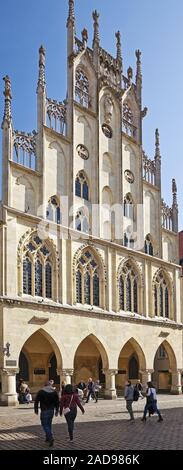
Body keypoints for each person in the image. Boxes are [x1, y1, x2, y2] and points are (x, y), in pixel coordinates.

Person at [34, 380, 59, 446]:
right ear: (50, 385)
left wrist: (36, 409)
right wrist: (57, 410)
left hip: (44, 410)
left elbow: (36, 401)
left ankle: (50, 437)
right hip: (51, 410)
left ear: (45, 385)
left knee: (44, 424)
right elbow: (57, 402)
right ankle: (47, 438)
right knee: (49, 424)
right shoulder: (54, 392)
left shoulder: (41, 391)